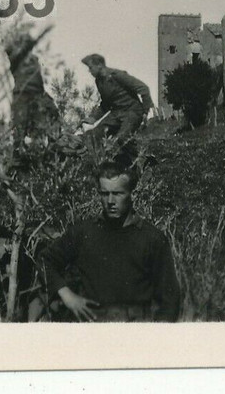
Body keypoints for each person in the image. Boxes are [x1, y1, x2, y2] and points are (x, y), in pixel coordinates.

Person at [40, 161, 181, 322]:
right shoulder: (84, 232)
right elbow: (46, 260)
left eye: (118, 193)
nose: (110, 201)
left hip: (136, 331)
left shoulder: (152, 238)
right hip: (92, 328)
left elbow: (170, 300)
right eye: (104, 194)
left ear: (131, 194)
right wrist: (67, 295)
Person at [81, 53, 155, 163]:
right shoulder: (99, 81)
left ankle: (142, 161)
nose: (89, 71)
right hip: (116, 113)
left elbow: (143, 88)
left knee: (122, 138)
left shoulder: (117, 75)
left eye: (90, 68)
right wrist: (93, 118)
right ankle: (102, 164)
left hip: (132, 111)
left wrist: (145, 111)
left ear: (100, 65)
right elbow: (105, 104)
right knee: (94, 135)